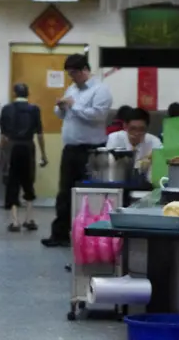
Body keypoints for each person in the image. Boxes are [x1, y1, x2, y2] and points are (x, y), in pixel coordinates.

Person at [42, 53, 114, 248]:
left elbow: (97, 116)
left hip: (92, 151)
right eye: (69, 74)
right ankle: (60, 234)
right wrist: (61, 107)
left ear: (85, 70)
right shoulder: (72, 88)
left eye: (74, 73)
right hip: (71, 149)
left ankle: (91, 235)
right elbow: (61, 114)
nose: (72, 78)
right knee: (64, 192)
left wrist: (74, 106)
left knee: (91, 193)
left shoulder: (100, 90)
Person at [0, 83, 47, 233]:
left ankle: (15, 222)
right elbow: (39, 134)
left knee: (12, 182)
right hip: (28, 147)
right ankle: (29, 218)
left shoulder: (6, 109)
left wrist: (2, 155)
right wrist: (44, 154)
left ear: (14, 93)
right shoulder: (34, 110)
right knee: (28, 180)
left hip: (12, 147)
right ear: (28, 94)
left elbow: (3, 136)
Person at [105, 107, 162, 177]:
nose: (137, 133)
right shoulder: (115, 138)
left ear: (147, 128)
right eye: (133, 129)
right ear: (125, 126)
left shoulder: (154, 142)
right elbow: (111, 164)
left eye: (141, 129)